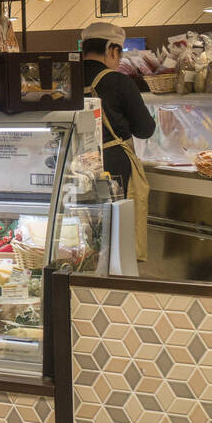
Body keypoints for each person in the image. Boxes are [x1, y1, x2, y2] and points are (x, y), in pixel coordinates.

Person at [82, 21, 155, 261]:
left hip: (76, 167)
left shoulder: (66, 77)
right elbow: (145, 129)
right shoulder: (119, 81)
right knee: (115, 235)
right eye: (119, 53)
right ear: (112, 49)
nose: (118, 59)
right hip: (113, 168)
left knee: (82, 231)